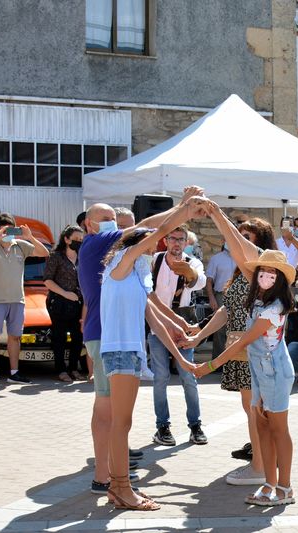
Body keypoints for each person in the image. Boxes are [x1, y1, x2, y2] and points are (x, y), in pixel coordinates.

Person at [79, 196, 199, 496]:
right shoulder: (104, 251)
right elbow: (150, 229)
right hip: (110, 340)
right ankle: (113, 482)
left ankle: (112, 477)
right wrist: (184, 207)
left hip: (123, 344)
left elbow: (151, 308)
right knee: (115, 417)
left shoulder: (132, 267)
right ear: (89, 224)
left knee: (116, 416)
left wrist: (178, 333)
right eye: (107, 219)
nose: (115, 225)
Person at [195, 250, 297, 507]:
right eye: (263, 271)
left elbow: (246, 339)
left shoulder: (274, 307)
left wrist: (211, 364)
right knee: (261, 425)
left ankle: (285, 487)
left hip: (274, 372)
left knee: (278, 429)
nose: (266, 276)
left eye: (273, 273)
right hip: (259, 371)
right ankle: (269, 483)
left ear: (281, 279)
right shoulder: (260, 302)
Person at [181, 210, 274, 486]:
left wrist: (215, 212)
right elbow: (227, 308)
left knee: (256, 409)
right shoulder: (241, 271)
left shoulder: (260, 270)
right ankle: (261, 460)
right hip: (239, 346)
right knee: (252, 408)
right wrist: (200, 335)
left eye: (244, 238)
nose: (235, 243)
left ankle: (259, 467)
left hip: (253, 348)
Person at [0, 212, 50, 385]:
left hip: (17, 299)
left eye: (10, 230)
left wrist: (30, 237)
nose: (7, 234)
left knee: (15, 336)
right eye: (3, 230)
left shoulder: (21, 245)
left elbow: (44, 252)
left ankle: (14, 373)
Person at [149, 225, 207, 447]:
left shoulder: (193, 262)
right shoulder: (155, 260)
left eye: (180, 239)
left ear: (186, 242)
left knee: (187, 376)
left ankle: (195, 425)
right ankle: (162, 426)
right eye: (172, 238)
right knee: (160, 377)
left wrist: (189, 273)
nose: (176, 243)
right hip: (157, 326)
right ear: (166, 240)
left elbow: (199, 281)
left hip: (182, 327)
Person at [44, 225, 86, 382]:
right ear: (66, 239)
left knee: (77, 337)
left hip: (78, 303)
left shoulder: (82, 257)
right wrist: (65, 294)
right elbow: (47, 280)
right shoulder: (56, 256)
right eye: (75, 239)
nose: (79, 242)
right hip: (59, 302)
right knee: (59, 337)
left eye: (81, 240)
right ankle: (61, 370)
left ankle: (73, 368)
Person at [206, 241, 237, 358]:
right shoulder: (216, 259)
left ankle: (233, 360)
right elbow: (209, 280)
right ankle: (217, 362)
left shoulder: (241, 257)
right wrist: (211, 298)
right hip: (220, 295)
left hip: (238, 295)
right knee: (219, 328)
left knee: (236, 327)